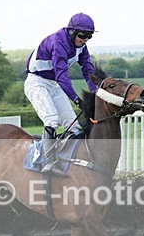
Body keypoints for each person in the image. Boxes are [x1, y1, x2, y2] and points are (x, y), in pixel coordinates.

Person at [24, 13, 98, 176]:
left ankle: (70, 162)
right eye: (82, 35)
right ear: (72, 32)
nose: (85, 40)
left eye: (89, 36)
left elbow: (88, 70)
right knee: (52, 119)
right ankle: (49, 163)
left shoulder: (82, 47)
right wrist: (77, 100)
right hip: (37, 82)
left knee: (74, 125)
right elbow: (62, 76)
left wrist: (95, 93)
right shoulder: (58, 42)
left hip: (54, 84)